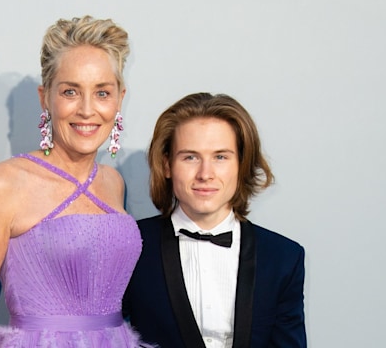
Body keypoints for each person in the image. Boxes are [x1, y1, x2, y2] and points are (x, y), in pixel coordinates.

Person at [0, 16, 150, 348]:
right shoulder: (4, 184)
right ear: (46, 97)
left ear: (119, 98)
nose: (87, 110)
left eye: (102, 93)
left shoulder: (114, 183)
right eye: (70, 91)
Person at [123, 93, 306, 348]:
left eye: (220, 157)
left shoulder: (283, 257)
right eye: (190, 157)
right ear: (167, 165)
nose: (205, 174)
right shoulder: (131, 246)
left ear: (241, 165)